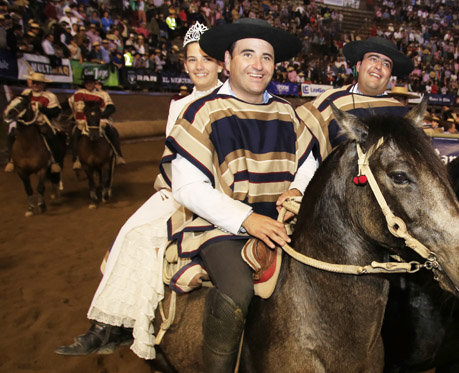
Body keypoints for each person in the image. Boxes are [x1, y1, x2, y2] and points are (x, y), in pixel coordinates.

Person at [55, 22, 224, 359]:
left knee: (149, 239)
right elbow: (171, 153)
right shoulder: (178, 105)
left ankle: (114, 327)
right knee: (128, 231)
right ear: (184, 65)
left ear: (221, 62)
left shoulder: (230, 98)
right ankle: (107, 325)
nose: (199, 66)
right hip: (178, 187)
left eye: (206, 58)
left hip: (217, 190)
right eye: (192, 60)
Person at [160, 18, 318, 371]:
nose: (258, 65)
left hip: (280, 223)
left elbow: (310, 162)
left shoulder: (287, 113)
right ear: (227, 61)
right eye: (248, 54)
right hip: (220, 227)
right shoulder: (201, 112)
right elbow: (187, 187)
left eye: (266, 57)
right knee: (237, 291)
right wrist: (247, 218)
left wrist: (296, 187)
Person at [296, 36, 414, 159]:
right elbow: (300, 138)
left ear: (389, 75)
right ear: (358, 66)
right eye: (373, 59)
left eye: (386, 64)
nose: (378, 66)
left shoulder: (402, 114)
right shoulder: (332, 101)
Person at [4, 72, 63, 173]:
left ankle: (55, 161)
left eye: (38, 83)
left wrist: (42, 109)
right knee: (11, 135)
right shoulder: (26, 92)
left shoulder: (50, 96)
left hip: (41, 121)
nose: (35, 85)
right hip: (25, 122)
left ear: (43, 84)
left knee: (50, 136)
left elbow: (56, 112)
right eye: (34, 82)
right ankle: (11, 160)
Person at [69, 75, 126, 168]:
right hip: (82, 122)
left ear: (95, 83)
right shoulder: (77, 94)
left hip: (100, 121)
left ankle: (118, 154)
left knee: (113, 132)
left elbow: (111, 107)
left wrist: (103, 115)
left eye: (91, 82)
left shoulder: (103, 94)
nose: (89, 85)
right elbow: (70, 104)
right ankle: (76, 159)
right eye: (87, 83)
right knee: (74, 135)